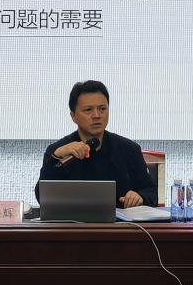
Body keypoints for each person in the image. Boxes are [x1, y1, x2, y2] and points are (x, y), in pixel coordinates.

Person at [36, 80, 156, 208]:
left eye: (102, 109)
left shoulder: (129, 149)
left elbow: (151, 192)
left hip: (119, 220)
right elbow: (42, 197)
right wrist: (56, 157)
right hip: (72, 220)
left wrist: (140, 197)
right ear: (73, 116)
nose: (97, 115)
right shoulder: (59, 151)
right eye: (88, 110)